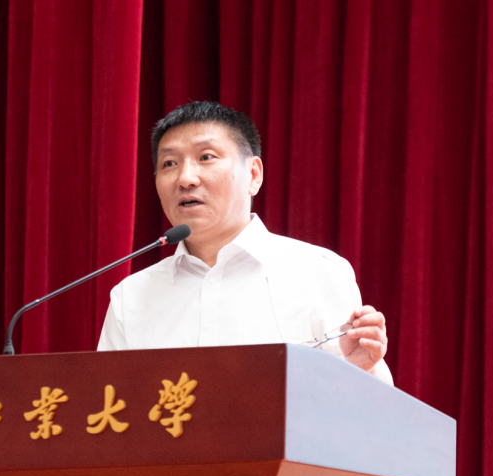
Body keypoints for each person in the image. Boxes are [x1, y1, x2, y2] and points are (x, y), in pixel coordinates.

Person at [97, 101, 392, 385]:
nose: (185, 178)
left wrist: (361, 372)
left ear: (253, 175)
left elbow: (367, 410)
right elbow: (107, 407)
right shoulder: (131, 298)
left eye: (206, 157)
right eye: (170, 163)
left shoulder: (317, 273)